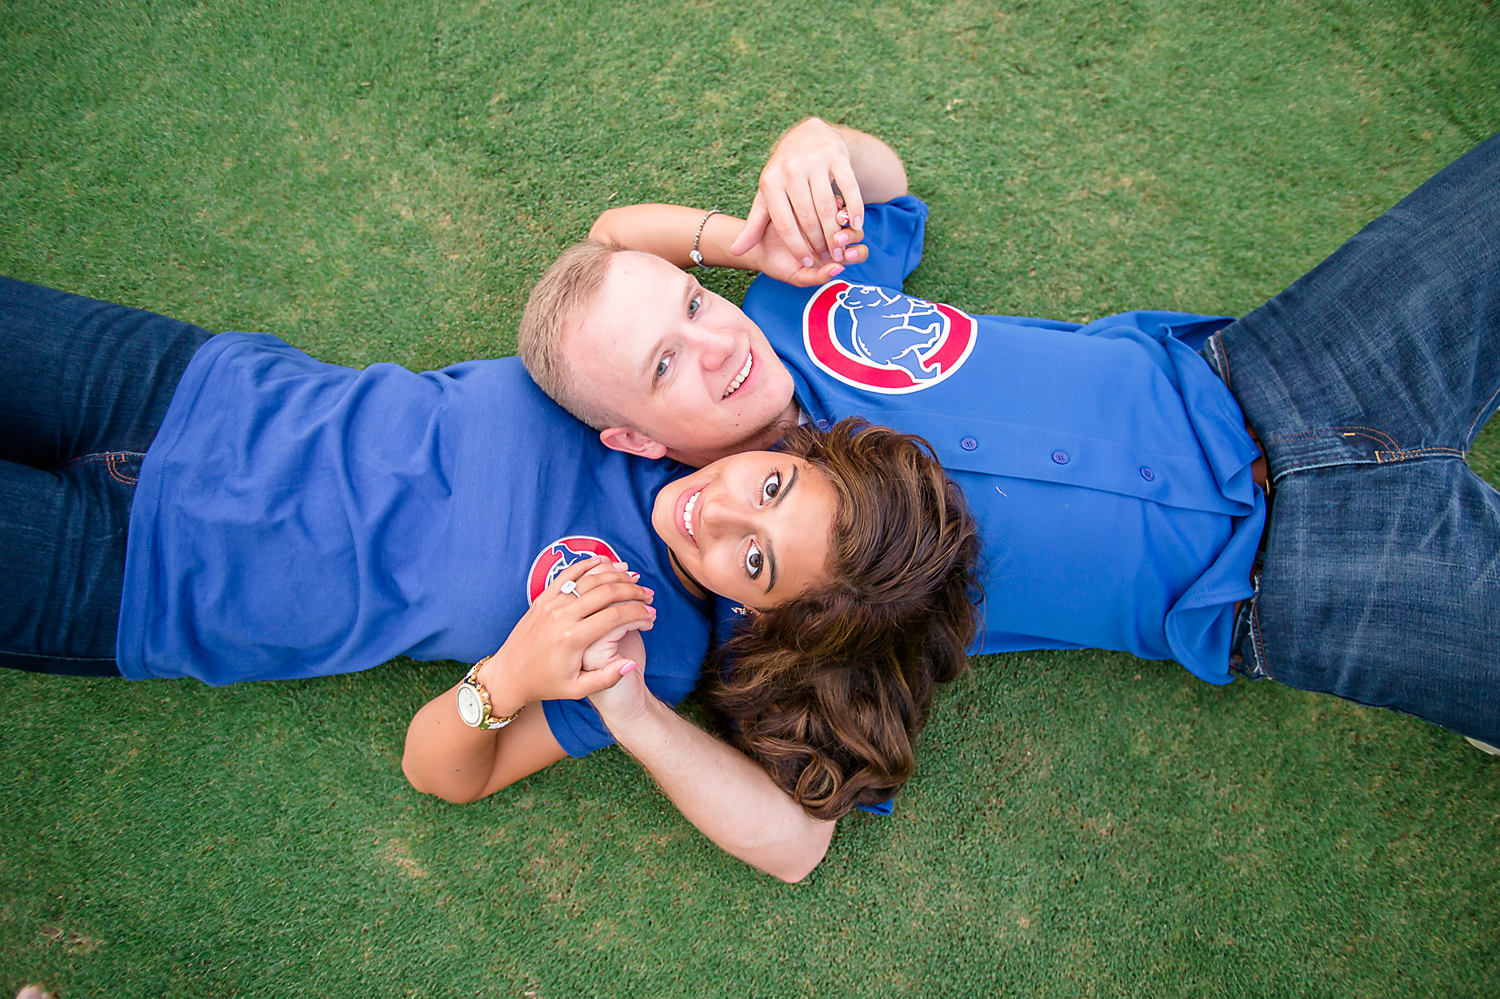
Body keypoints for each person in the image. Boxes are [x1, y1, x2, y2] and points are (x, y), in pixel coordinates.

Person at [519, 118, 1500, 750]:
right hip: (1286, 585)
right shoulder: (766, 595)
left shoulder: (792, 305)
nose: (715, 342)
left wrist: (803, 156)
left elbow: (871, 185)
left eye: (696, 305)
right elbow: (793, 816)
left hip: (1280, 369)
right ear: (636, 441)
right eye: (664, 367)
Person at [0, 276, 980, 879]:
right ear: (796, 453)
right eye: (770, 486)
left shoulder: (648, 650)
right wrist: (723, 238)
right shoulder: (670, 407)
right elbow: (613, 259)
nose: (715, 510)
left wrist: (511, 677)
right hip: (185, 383)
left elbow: (438, 772)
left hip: (141, 584)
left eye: (753, 560)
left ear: (764, 618)